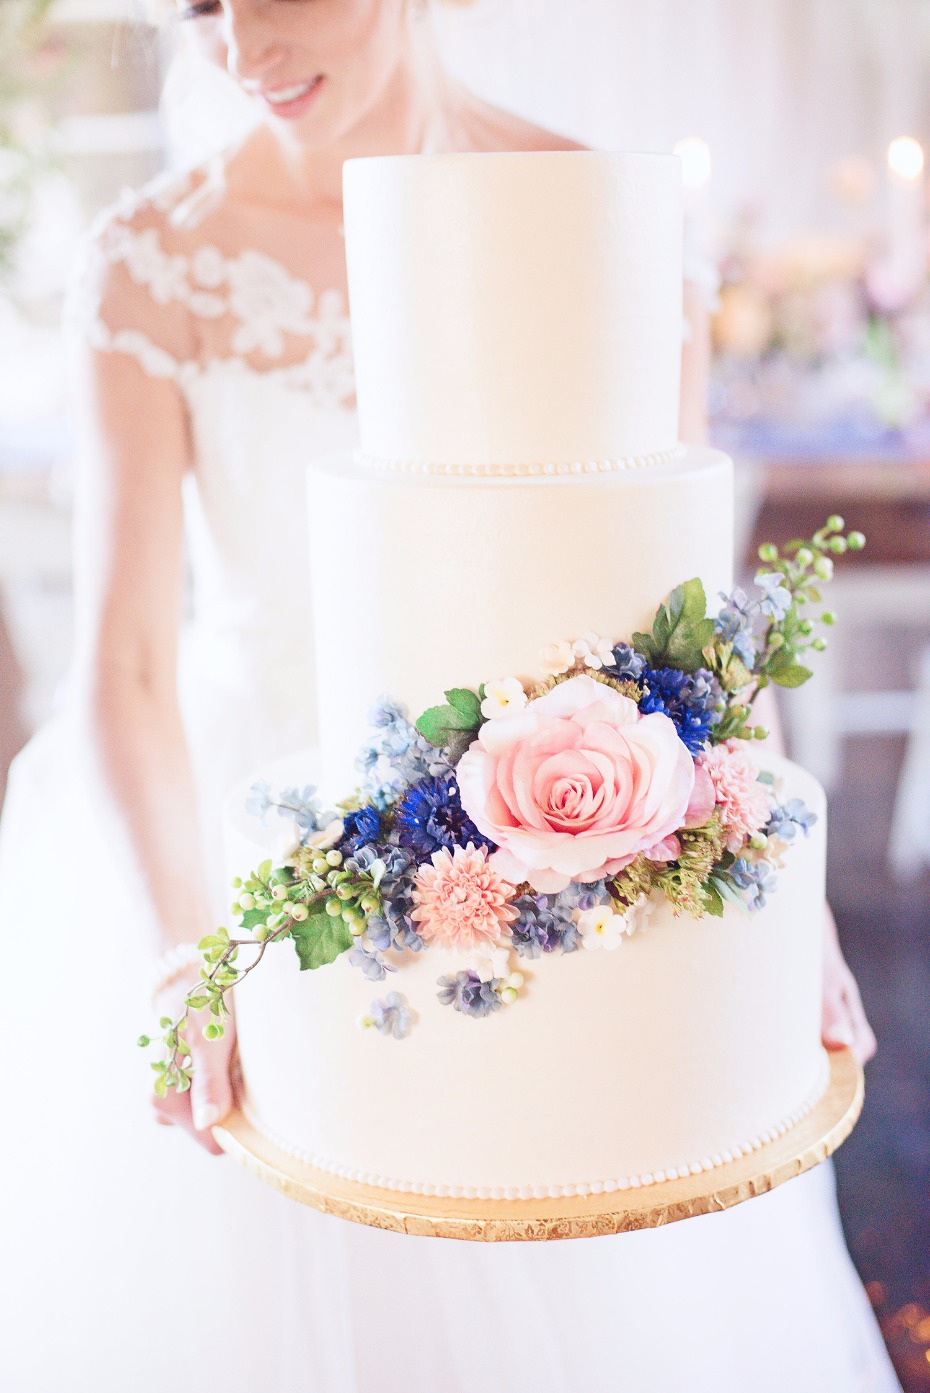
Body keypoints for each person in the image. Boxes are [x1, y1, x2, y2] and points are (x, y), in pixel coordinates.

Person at [0, 2, 898, 1390]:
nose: (239, 50)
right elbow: (120, 663)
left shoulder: (605, 220)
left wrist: (785, 886)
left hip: (572, 819)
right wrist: (193, 950)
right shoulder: (154, 264)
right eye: (200, 7)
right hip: (258, 835)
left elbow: (687, 618)